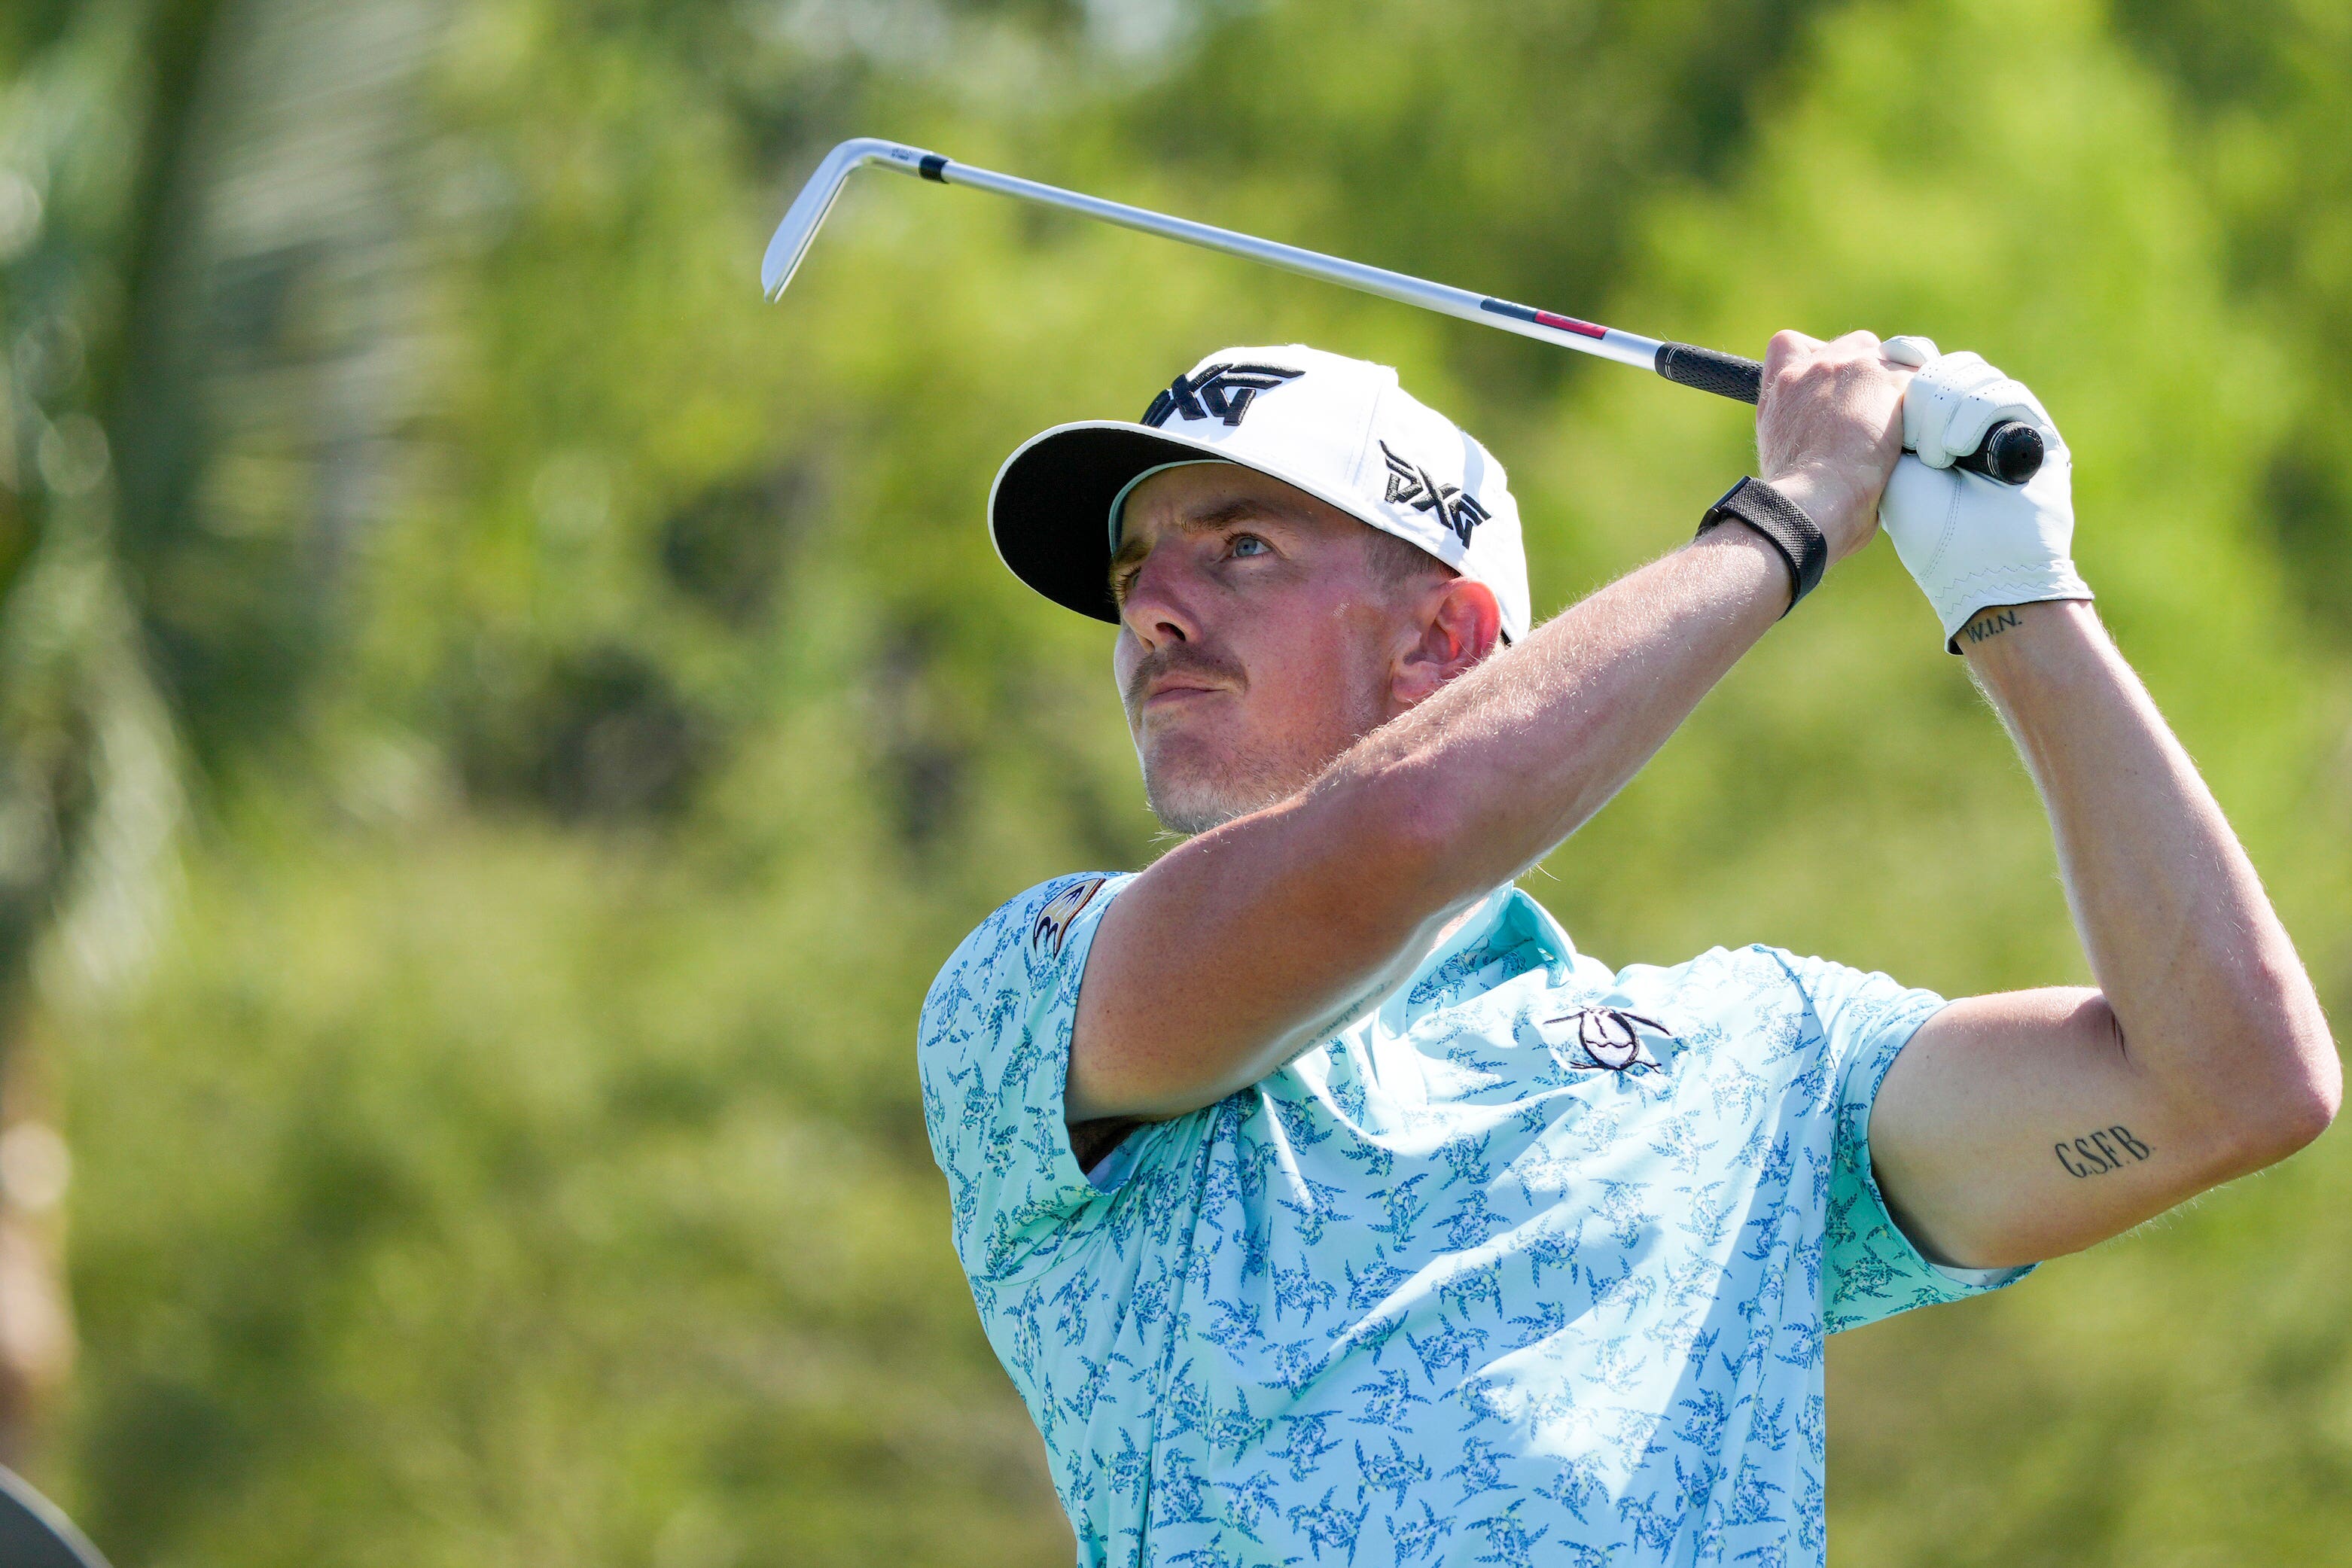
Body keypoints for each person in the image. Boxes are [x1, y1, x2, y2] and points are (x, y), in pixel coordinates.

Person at [917, 333, 2338, 1566]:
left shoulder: (1755, 1058)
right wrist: (1793, 518)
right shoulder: (1038, 995)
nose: (1150, 609)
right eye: (1132, 571)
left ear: (1442, 643)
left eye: (1239, 547)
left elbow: (2234, 1084)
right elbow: (1403, 834)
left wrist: (2016, 599)